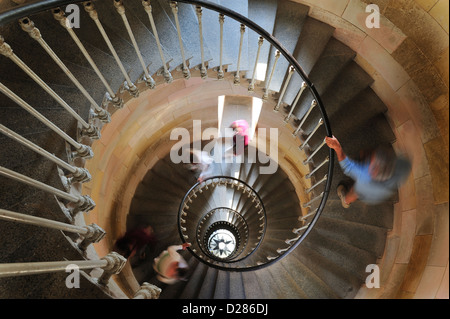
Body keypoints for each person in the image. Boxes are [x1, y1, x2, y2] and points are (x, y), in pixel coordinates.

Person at [325, 136, 411, 208]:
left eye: (371, 164)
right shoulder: (403, 165)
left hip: (368, 190)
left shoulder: (365, 177)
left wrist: (338, 148)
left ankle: (345, 201)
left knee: (355, 192)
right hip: (382, 191)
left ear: (374, 173)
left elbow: (347, 167)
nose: (370, 161)